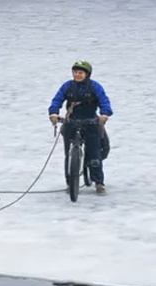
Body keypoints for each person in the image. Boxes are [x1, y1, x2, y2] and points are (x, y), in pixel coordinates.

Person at [48, 60, 113, 194]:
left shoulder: (95, 87)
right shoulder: (67, 86)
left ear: (87, 74)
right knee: (68, 154)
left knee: (95, 153)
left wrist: (105, 114)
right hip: (71, 122)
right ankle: (70, 182)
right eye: (75, 72)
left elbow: (104, 100)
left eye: (80, 73)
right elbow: (57, 99)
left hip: (91, 123)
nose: (77, 75)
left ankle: (98, 182)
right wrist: (53, 113)